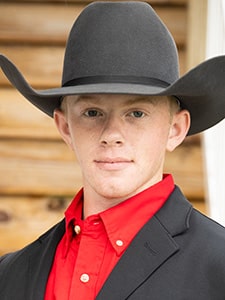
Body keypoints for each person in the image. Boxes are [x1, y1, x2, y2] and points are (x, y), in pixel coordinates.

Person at [1, 1, 225, 299]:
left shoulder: (219, 268)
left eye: (137, 114)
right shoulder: (9, 274)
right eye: (92, 113)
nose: (112, 135)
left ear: (175, 129)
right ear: (65, 127)